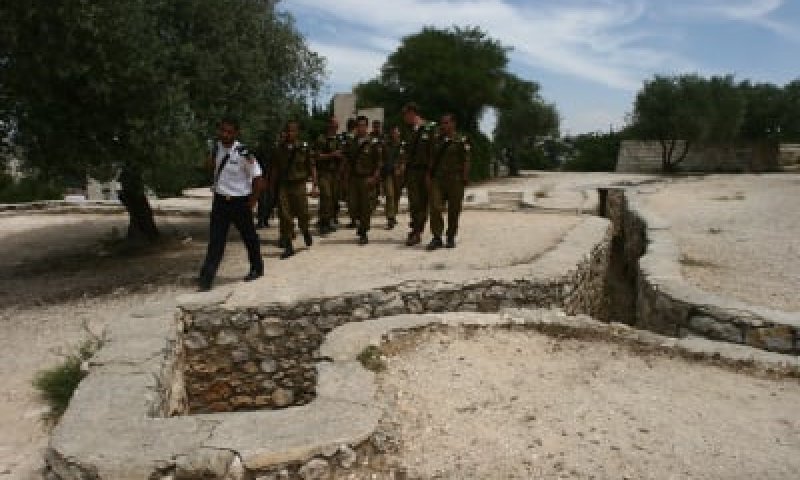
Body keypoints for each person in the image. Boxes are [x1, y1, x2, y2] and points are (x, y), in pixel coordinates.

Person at [197, 117, 264, 291]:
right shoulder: (215, 148)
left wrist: (253, 202)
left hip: (240, 202)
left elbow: (258, 177)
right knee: (216, 240)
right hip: (220, 201)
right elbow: (209, 166)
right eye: (222, 131)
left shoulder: (244, 152)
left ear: (235, 133)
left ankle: (257, 267)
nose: (224, 135)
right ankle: (207, 277)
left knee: (249, 237)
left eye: (228, 131)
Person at [271, 120, 317, 259]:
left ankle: (305, 230)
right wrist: (272, 188)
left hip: (299, 185)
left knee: (303, 213)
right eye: (288, 130)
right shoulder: (279, 149)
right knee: (285, 216)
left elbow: (312, 166)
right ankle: (288, 246)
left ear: (297, 132)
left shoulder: (304, 148)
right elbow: (275, 169)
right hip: (284, 185)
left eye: (293, 130)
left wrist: (314, 185)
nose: (291, 133)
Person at [427, 114, 470, 250]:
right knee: (434, 207)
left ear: (453, 124)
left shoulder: (461, 140)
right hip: (438, 180)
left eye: (446, 123)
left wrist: (465, 177)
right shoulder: (437, 140)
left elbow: (466, 160)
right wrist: (428, 175)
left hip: (455, 180)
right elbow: (432, 159)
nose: (443, 125)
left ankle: (450, 236)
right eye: (442, 123)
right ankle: (436, 237)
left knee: (454, 210)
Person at [343, 115, 382, 245]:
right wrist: (345, 177)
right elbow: (347, 160)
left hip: (367, 178)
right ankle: (361, 224)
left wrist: (374, 177)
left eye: (363, 126)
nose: (361, 128)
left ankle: (364, 232)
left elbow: (378, 162)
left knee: (366, 207)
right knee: (352, 206)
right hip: (353, 179)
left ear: (367, 127)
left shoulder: (373, 142)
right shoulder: (351, 142)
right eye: (359, 126)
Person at [402, 102, 436, 246]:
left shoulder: (430, 128)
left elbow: (433, 152)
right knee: (414, 202)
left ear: (412, 113)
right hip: (412, 171)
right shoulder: (411, 131)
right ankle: (416, 229)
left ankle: (417, 231)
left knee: (422, 202)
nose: (404, 118)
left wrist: (430, 172)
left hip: (424, 170)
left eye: (405, 115)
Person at [313, 117, 345, 235]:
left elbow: (344, 155)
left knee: (333, 198)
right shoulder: (321, 139)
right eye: (333, 125)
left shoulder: (339, 140)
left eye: (336, 125)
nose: (335, 127)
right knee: (326, 196)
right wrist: (331, 155)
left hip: (335, 173)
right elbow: (317, 156)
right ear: (329, 125)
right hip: (324, 173)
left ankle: (329, 220)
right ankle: (324, 223)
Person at [382, 125, 404, 229]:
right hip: (388, 173)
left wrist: (400, 168)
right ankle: (390, 218)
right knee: (390, 195)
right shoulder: (385, 144)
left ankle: (393, 214)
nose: (394, 134)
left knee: (397, 195)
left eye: (396, 132)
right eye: (393, 132)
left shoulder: (402, 145)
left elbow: (404, 158)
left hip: (399, 174)